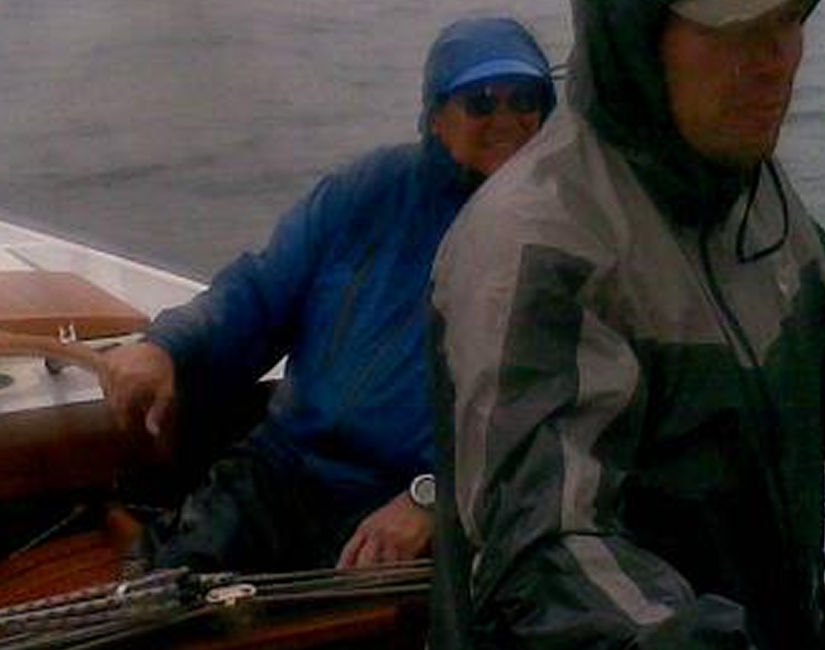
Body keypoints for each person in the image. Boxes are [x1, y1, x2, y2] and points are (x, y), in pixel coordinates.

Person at [428, 0, 825, 648]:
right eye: (737, 30)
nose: (777, 61)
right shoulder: (536, 245)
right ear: (632, 37)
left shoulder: (744, 197)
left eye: (789, 20)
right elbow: (547, 561)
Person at [99, 16, 557, 573]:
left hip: (409, 498)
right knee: (158, 589)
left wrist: (432, 496)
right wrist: (164, 345)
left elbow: (550, 420)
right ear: (437, 116)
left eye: (525, 99)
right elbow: (259, 293)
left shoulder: (559, 238)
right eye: (481, 101)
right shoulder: (371, 189)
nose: (506, 119)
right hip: (284, 463)